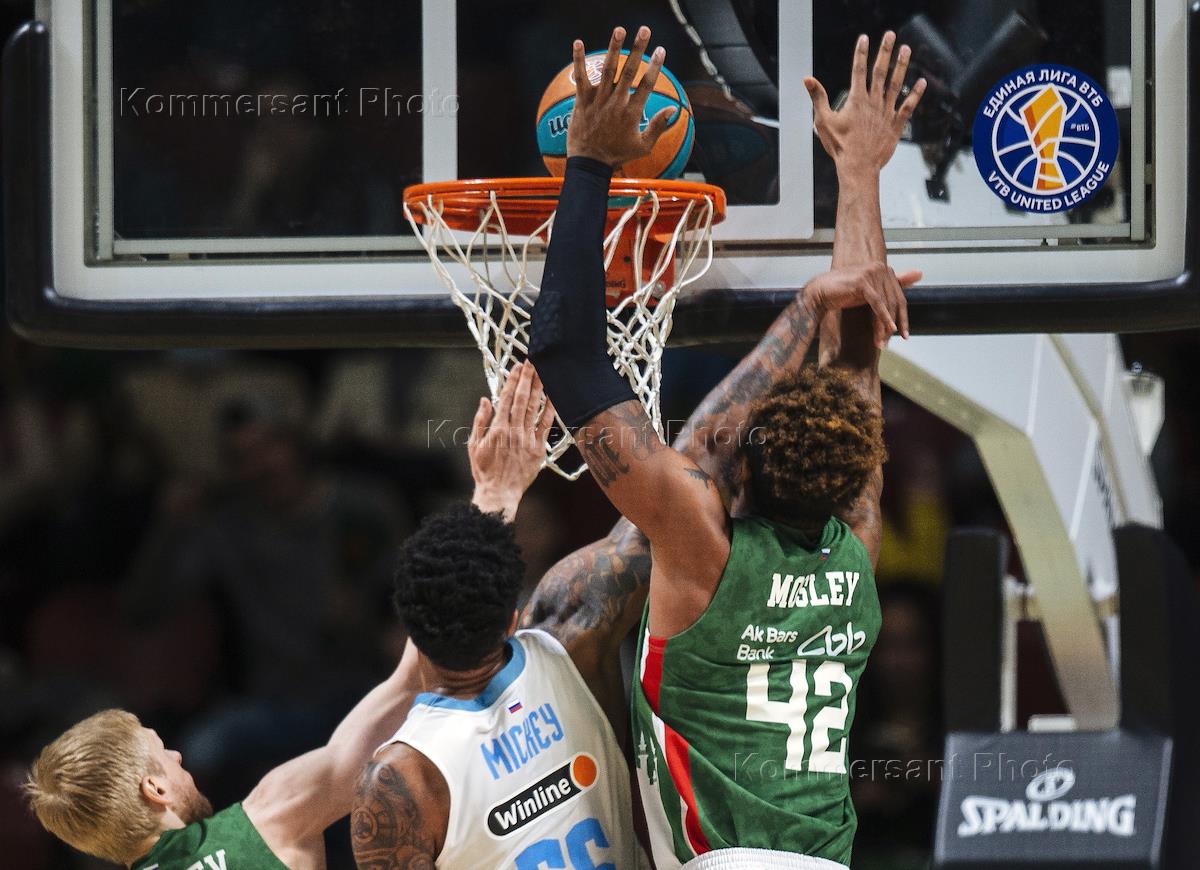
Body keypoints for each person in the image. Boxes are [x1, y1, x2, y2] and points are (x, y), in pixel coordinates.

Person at [527, 25, 923, 870]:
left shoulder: (701, 548)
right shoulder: (853, 553)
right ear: (857, 474)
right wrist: (859, 175)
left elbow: (565, 354)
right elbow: (858, 358)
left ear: (736, 466)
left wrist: (589, 162)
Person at [20, 367, 543, 870]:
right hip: (292, 701)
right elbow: (411, 679)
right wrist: (495, 494)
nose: (178, 757)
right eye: (165, 755)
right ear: (154, 789)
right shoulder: (269, 820)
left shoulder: (359, 508)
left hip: (338, 684)